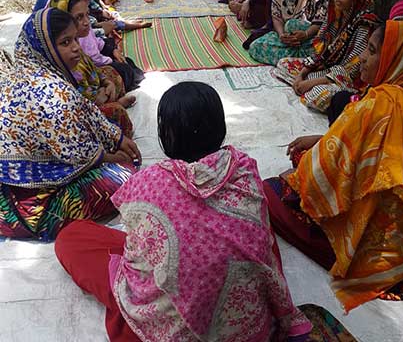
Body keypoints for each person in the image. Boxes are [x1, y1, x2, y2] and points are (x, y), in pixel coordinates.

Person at [55, 81, 311, 342]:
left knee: (71, 237)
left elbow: (137, 256)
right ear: (220, 128)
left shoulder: (147, 184)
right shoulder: (243, 169)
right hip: (247, 326)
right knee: (258, 235)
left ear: (166, 136)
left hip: (172, 328)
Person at [264, 21, 403, 311]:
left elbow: (322, 173)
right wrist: (321, 142)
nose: (362, 57)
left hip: (374, 252)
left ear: (397, 60)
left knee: (270, 192)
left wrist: (298, 175)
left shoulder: (382, 104)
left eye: (373, 51)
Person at [0, 8, 141, 241]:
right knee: (126, 174)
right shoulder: (52, 92)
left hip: (12, 185)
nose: (76, 47)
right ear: (43, 47)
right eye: (66, 42)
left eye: (75, 39)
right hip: (29, 208)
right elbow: (77, 151)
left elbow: (86, 114)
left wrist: (115, 139)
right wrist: (112, 156)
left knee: (114, 120)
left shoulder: (22, 74)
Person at [274, 0, 380, 112]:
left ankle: (310, 87)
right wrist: (302, 74)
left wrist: (311, 82)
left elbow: (351, 69)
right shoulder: (334, 15)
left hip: (347, 79)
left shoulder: (364, 24)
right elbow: (318, 51)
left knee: (321, 94)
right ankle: (307, 85)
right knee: (283, 64)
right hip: (325, 70)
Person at [49, 0, 135, 136]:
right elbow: (74, 100)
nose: (86, 22)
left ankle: (112, 100)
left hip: (95, 90)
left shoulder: (74, 44)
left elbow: (95, 67)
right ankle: (115, 105)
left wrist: (107, 82)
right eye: (79, 17)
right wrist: (96, 99)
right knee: (116, 112)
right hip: (85, 106)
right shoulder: (56, 64)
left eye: (86, 15)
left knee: (114, 73)